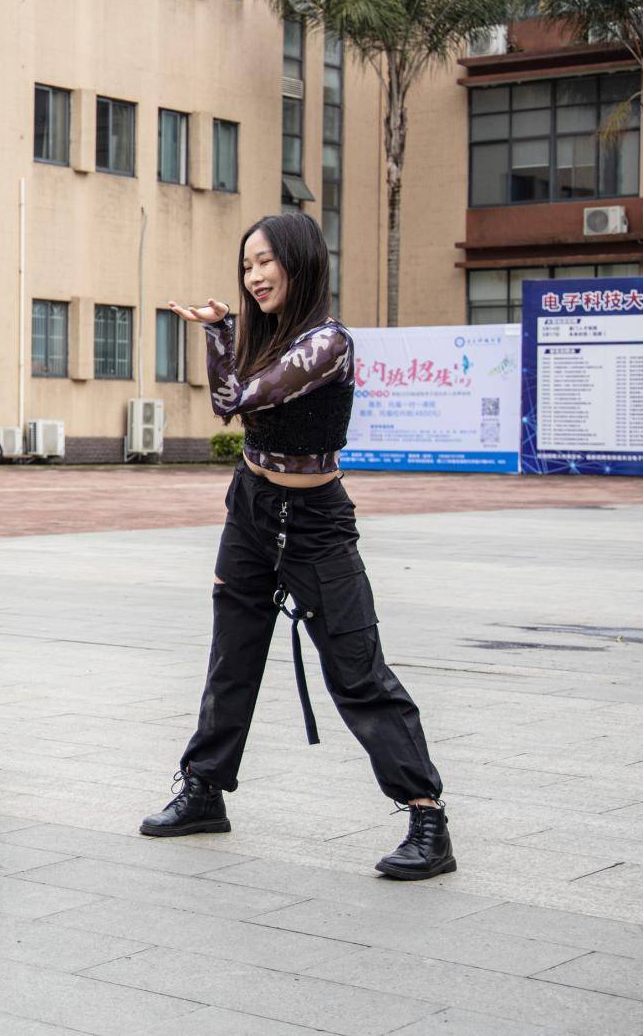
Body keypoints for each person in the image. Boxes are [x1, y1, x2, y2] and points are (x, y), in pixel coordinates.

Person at [139, 212, 454, 881]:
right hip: (251, 507)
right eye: (246, 265)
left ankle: (427, 815)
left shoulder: (328, 343)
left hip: (315, 521)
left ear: (300, 263)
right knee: (233, 652)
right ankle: (204, 788)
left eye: (265, 263)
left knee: (356, 666)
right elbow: (235, 402)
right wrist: (223, 331)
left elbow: (241, 396)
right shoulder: (265, 336)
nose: (254, 276)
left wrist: (218, 335)